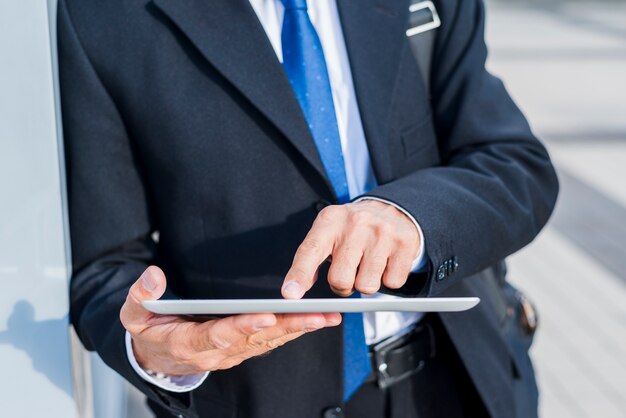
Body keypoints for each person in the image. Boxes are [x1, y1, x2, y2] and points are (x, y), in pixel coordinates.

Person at [59, 0, 559, 417]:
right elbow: (103, 263)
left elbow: (514, 162)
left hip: (459, 380)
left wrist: (415, 218)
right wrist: (155, 354)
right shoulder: (101, 17)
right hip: (259, 399)